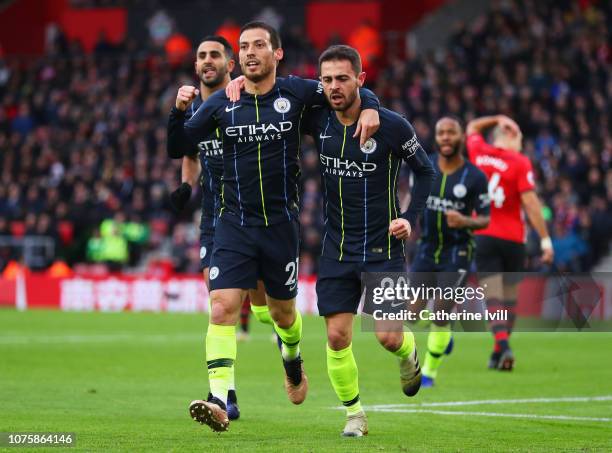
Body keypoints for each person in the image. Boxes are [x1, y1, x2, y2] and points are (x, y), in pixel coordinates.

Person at [168, 22, 381, 432]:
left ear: (276, 53)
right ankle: (218, 398)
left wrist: (369, 104)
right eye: (244, 46)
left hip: (280, 227)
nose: (250, 52)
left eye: (259, 45)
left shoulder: (297, 93)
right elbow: (178, 146)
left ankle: (292, 356)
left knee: (282, 315)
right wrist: (177, 112)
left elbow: (345, 93)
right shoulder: (221, 104)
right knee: (221, 308)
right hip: (232, 224)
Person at [303, 45, 435, 436]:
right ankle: (354, 415)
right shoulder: (317, 118)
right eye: (326, 79)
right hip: (336, 248)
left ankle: (409, 354)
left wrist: (410, 218)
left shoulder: (392, 125)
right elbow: (280, 92)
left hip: (383, 249)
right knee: (336, 335)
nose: (333, 87)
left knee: (388, 336)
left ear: (360, 79)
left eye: (342, 78)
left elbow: (425, 173)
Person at [166, 36, 276, 422]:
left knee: (264, 305)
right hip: (215, 218)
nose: (207, 61)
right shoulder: (194, 109)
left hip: (257, 215)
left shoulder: (243, 101)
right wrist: (185, 186)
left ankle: (282, 336)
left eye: (214, 55)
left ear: (231, 63)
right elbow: (191, 154)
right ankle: (225, 397)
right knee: (219, 305)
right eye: (201, 56)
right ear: (195, 66)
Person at [466, 115, 554, 370]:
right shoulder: (520, 162)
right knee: (510, 299)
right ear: (510, 137)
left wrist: (498, 118)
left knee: (492, 297)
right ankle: (500, 351)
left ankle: (501, 347)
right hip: (514, 239)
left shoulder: (479, 151)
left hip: (484, 234)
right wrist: (546, 240)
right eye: (520, 139)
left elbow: (471, 127)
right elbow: (530, 202)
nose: (522, 144)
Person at [410, 116, 490, 387]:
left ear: (460, 138)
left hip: (458, 252)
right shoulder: (424, 166)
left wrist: (466, 220)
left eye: (451, 133)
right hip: (427, 249)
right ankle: (445, 335)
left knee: (441, 311)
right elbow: (414, 200)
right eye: (441, 132)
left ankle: (429, 373)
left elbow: (485, 218)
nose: (445, 137)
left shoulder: (475, 177)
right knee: (411, 314)